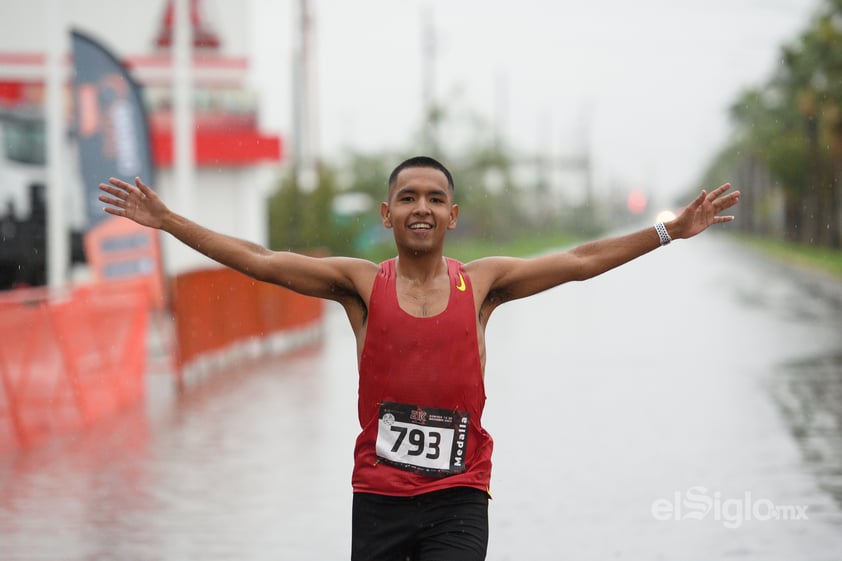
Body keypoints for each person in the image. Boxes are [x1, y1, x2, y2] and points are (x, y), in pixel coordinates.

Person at [99, 156, 740, 561]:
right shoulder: (359, 284)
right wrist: (170, 221)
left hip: (461, 495)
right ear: (388, 214)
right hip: (378, 497)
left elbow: (577, 262)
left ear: (452, 215)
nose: (422, 208)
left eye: (435, 198)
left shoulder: (483, 284)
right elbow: (262, 262)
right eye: (408, 197)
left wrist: (667, 232)